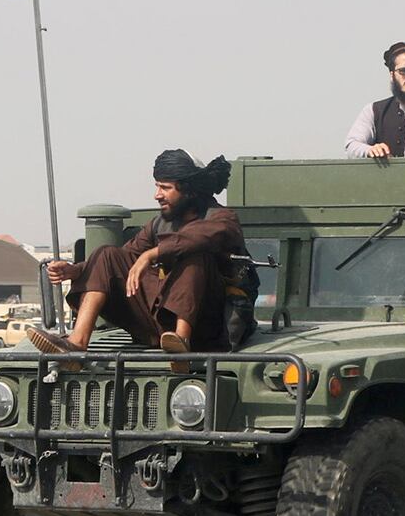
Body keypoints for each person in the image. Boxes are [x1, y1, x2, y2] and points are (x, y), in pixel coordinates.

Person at [30, 150, 248, 359]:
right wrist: (75, 270)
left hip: (210, 329)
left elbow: (196, 238)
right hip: (160, 324)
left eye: (165, 188)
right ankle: (76, 345)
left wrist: (151, 255)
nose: (157, 195)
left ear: (190, 190)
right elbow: (124, 258)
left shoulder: (223, 219)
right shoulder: (159, 225)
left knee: (194, 255)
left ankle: (182, 341)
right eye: (157, 187)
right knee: (106, 255)